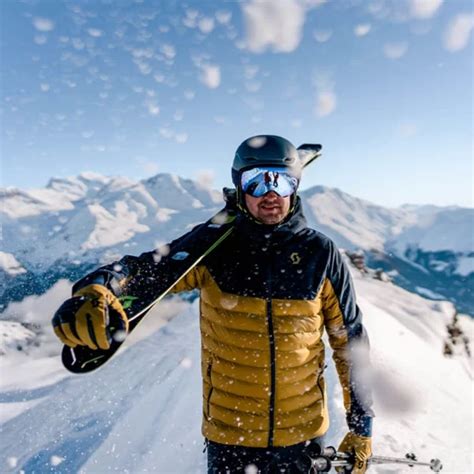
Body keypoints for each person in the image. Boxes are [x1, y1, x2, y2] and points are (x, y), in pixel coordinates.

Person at [52, 135, 374, 473]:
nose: (270, 194)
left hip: (302, 438)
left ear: (295, 187)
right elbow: (147, 270)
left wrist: (361, 427)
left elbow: (350, 342)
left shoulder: (320, 254)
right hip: (231, 439)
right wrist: (100, 287)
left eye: (282, 181)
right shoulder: (212, 249)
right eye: (257, 181)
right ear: (239, 186)